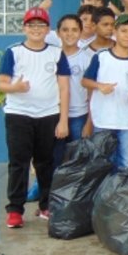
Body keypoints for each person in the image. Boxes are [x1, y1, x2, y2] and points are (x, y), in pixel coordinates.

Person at [0, 7, 70, 228]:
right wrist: (15, 87)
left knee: (45, 163)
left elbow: (64, 88)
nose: (36, 29)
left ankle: (46, 205)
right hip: (19, 115)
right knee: (18, 163)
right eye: (32, 25)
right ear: (24, 28)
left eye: (41, 25)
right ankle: (15, 210)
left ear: (48, 29)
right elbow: (1, 83)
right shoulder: (14, 52)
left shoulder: (56, 53)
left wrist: (63, 120)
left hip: (48, 115)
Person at [82, 14, 128, 171]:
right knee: (103, 162)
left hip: (127, 121)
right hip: (103, 120)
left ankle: (121, 194)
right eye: (123, 31)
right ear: (115, 32)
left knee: (126, 164)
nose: (127, 35)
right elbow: (85, 81)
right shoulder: (101, 57)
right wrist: (99, 86)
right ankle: (103, 195)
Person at [52, 14, 94, 168]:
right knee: (52, 160)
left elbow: (92, 93)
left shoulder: (88, 58)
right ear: (58, 33)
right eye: (65, 30)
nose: (70, 34)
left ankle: (77, 193)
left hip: (79, 116)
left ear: (81, 32)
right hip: (52, 115)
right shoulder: (51, 55)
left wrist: (89, 121)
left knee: (78, 162)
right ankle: (43, 191)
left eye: (75, 30)